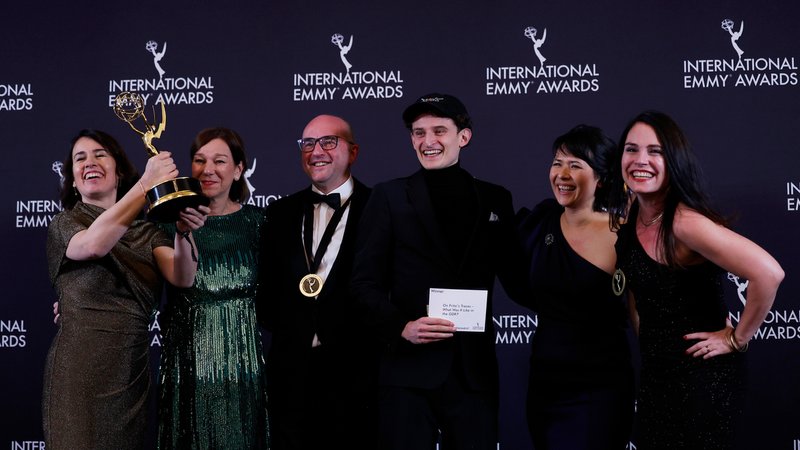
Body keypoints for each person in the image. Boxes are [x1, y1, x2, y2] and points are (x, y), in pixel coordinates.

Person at [350, 93, 527, 450]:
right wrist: (401, 326)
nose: (428, 141)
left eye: (439, 131)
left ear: (464, 136)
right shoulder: (389, 196)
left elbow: (520, 280)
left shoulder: (496, 198)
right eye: (419, 133)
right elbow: (362, 284)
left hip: (473, 372)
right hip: (408, 371)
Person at [607, 110, 784, 449]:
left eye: (654, 151)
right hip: (657, 377)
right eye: (631, 149)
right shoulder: (633, 215)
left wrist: (736, 338)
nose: (640, 160)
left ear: (673, 159)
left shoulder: (683, 223)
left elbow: (769, 273)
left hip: (701, 381)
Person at [43, 129, 207, 450]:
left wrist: (184, 232)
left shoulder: (147, 232)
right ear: (74, 181)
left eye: (100, 154)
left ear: (118, 170)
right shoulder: (65, 225)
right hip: (77, 373)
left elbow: (182, 276)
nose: (90, 162)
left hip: (130, 375)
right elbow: (92, 246)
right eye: (80, 158)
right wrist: (145, 187)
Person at [257, 114, 376, 450]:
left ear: (352, 152)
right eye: (308, 143)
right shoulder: (279, 214)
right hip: (291, 372)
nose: (316, 151)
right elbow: (266, 293)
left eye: (328, 142)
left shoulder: (379, 207)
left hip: (357, 372)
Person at [516, 125, 634, 449]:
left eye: (575, 165)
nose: (562, 174)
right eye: (557, 163)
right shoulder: (538, 222)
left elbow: (644, 313)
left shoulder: (625, 234)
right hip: (546, 384)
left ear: (601, 176)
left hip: (602, 387)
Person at [157, 127, 270, 449]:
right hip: (187, 362)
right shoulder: (166, 224)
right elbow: (163, 280)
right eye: (199, 160)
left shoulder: (260, 223)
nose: (208, 169)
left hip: (243, 361)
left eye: (220, 161)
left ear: (238, 170)